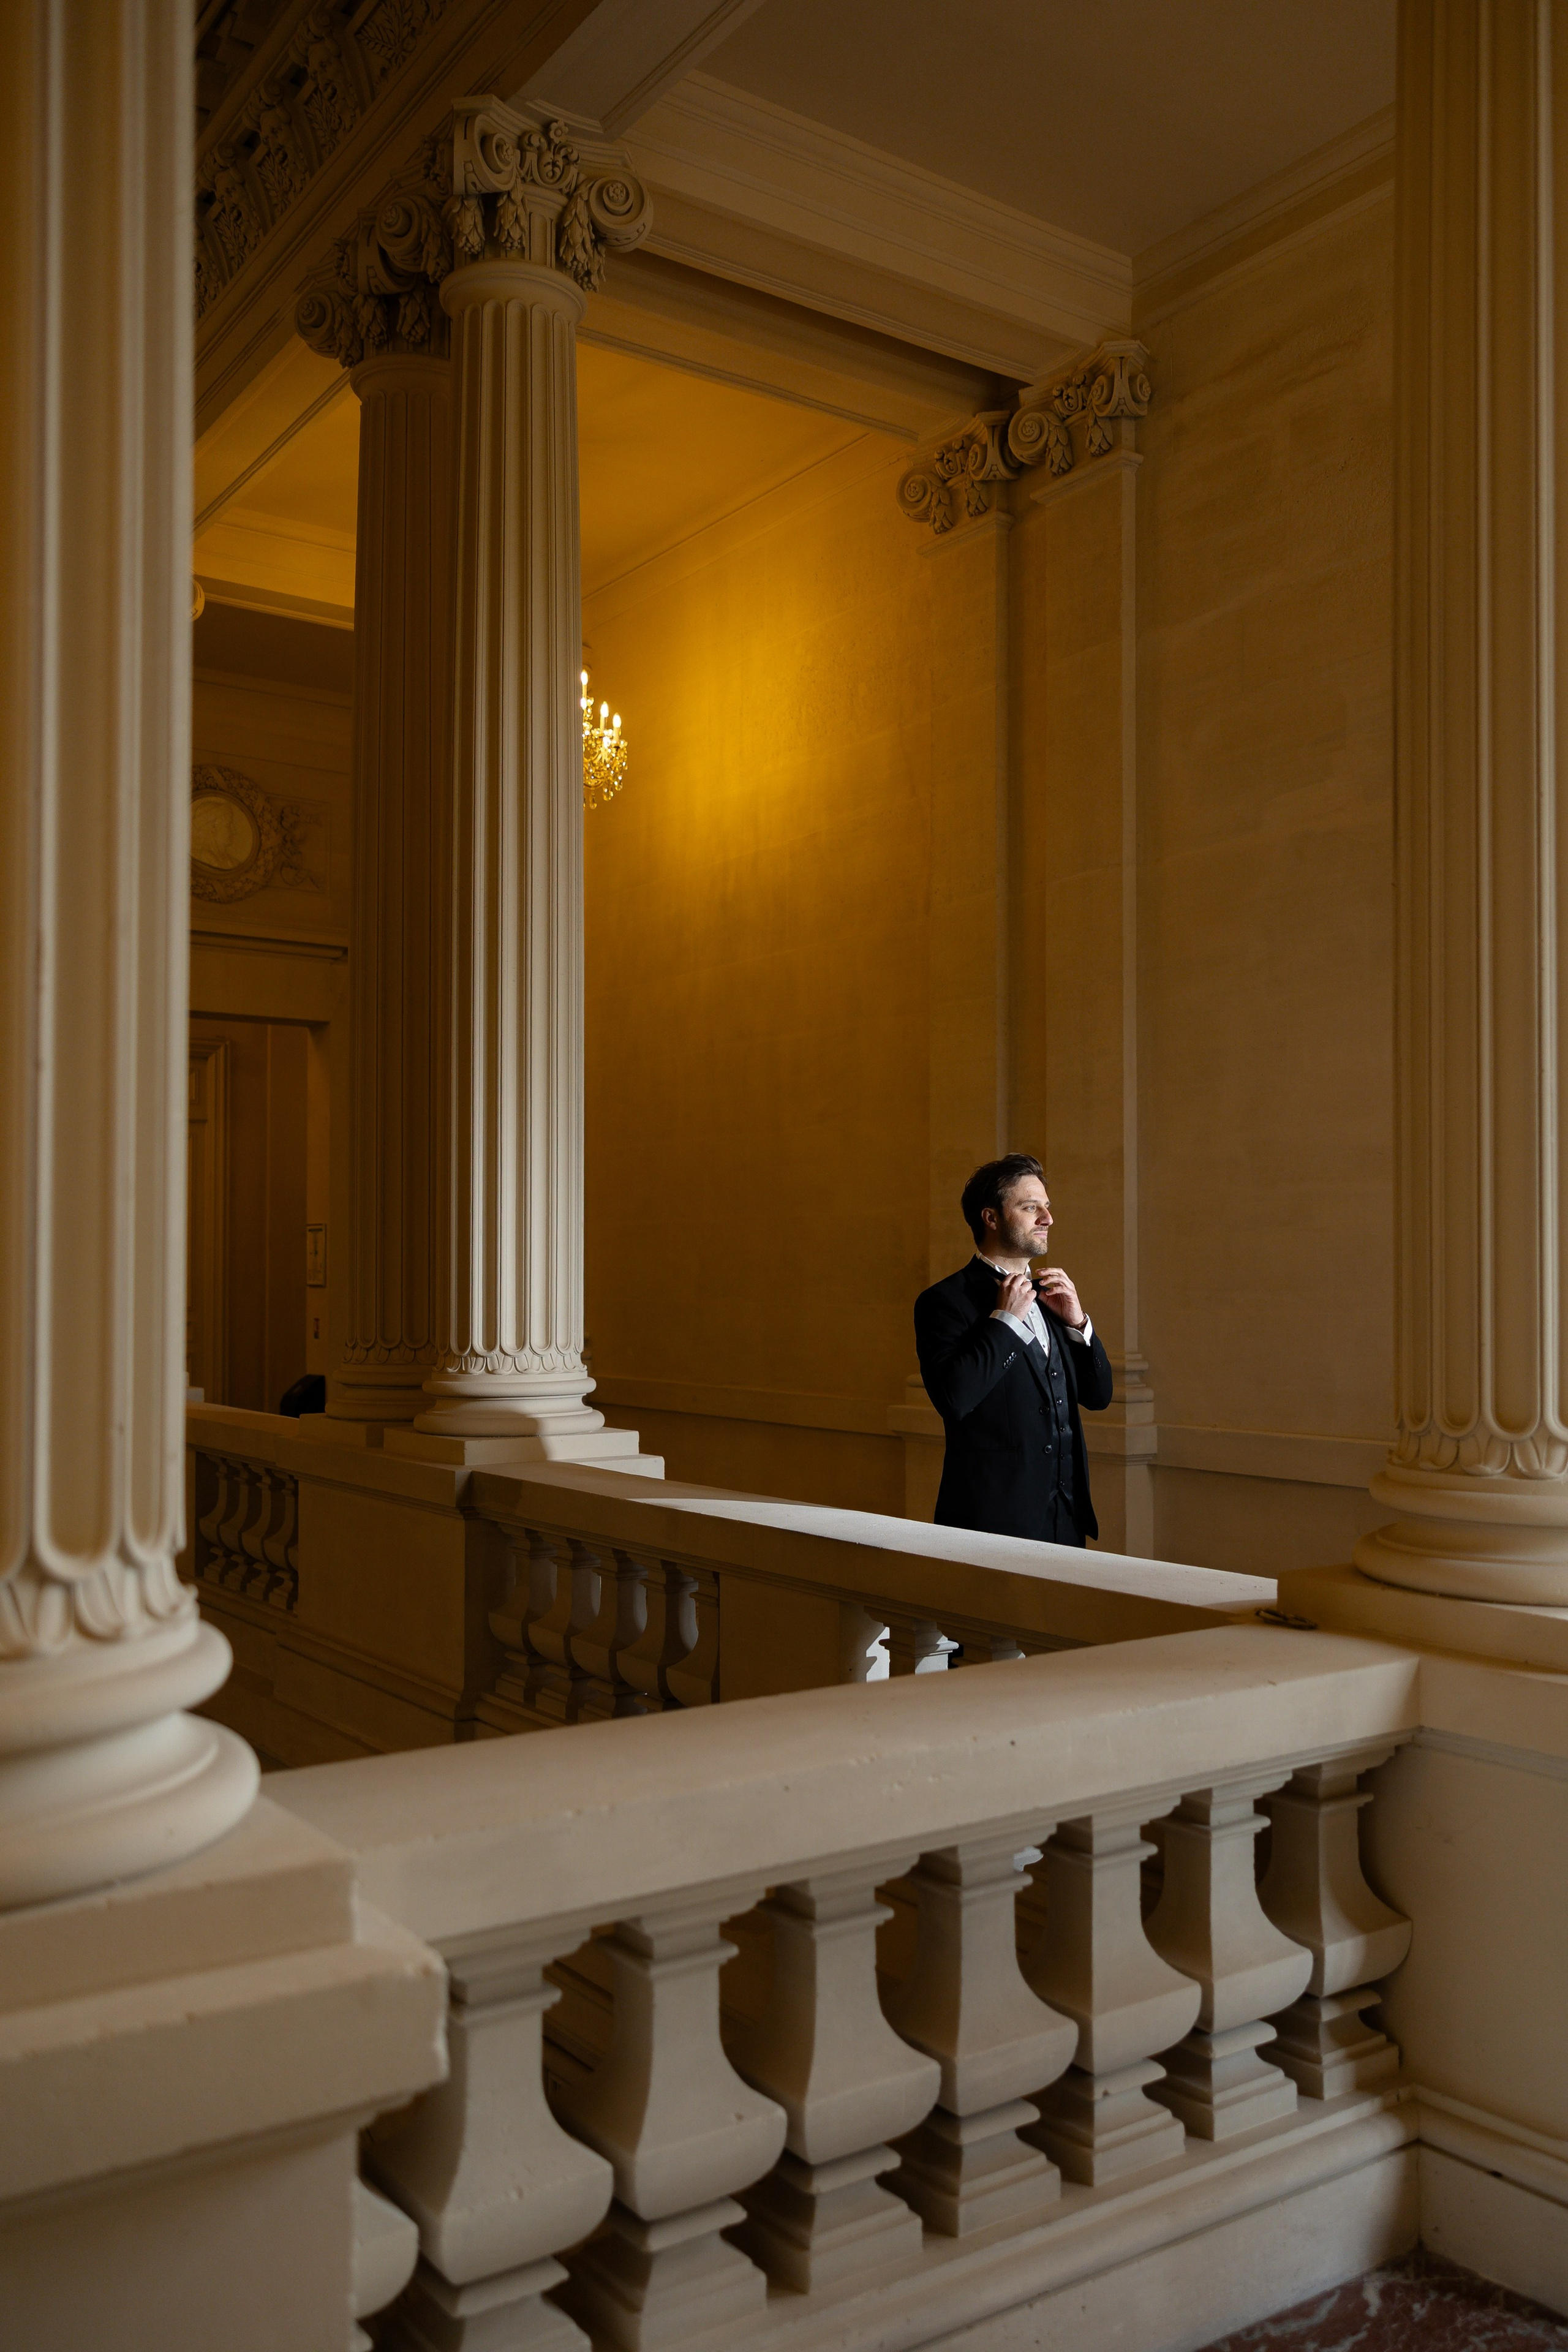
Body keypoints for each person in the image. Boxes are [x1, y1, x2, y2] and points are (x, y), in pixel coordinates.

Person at [914, 1153, 1112, 1546]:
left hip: (1067, 1520)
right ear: (991, 1217)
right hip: (990, 1524)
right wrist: (1004, 1322)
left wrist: (1077, 1324)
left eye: (1047, 1207)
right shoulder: (945, 1301)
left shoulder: (1052, 1298)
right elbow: (955, 1399)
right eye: (1030, 1207)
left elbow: (1099, 1396)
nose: (1047, 1218)